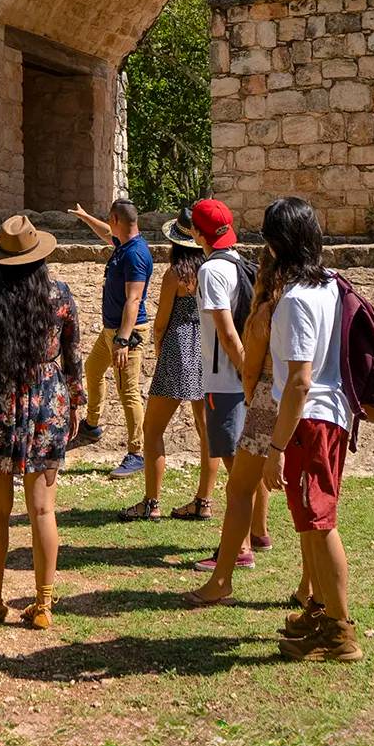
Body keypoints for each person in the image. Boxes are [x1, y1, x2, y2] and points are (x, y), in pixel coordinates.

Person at [0, 214, 84, 630]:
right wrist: (75, 401)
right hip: (47, 402)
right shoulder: (60, 295)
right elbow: (72, 354)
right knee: (43, 510)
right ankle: (43, 604)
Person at [260, 195, 363, 662]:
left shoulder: (297, 301)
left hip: (311, 420)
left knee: (320, 524)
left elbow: (300, 380)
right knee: (309, 520)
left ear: (276, 245)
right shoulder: (330, 285)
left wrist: (276, 446)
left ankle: (340, 632)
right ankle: (320, 610)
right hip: (331, 415)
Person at [186, 242, 313, 607]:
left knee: (239, 487)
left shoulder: (268, 311)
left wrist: (248, 392)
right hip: (312, 406)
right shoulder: (316, 296)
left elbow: (252, 366)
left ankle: (224, 575)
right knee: (305, 499)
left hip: (267, 404)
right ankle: (308, 584)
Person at [119, 207, 219, 522]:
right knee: (207, 431)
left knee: (152, 429)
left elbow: (162, 320)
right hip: (207, 351)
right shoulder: (212, 272)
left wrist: (159, 346)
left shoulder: (176, 275)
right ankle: (204, 500)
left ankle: (151, 502)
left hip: (178, 349)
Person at [186, 198, 258, 574]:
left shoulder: (211, 271)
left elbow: (227, 334)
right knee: (245, 465)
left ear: (197, 234)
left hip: (226, 382)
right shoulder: (241, 263)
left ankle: (240, 548)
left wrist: (246, 376)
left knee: (236, 472)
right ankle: (257, 534)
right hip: (241, 379)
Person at [66, 198, 153, 480]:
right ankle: (92, 426)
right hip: (111, 331)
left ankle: (137, 453)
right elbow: (106, 233)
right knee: (93, 369)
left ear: (116, 219)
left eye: (109, 219)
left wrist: (123, 340)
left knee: (128, 392)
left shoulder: (135, 254)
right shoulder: (124, 243)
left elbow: (134, 299)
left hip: (127, 334)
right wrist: (85, 217)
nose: (108, 225)